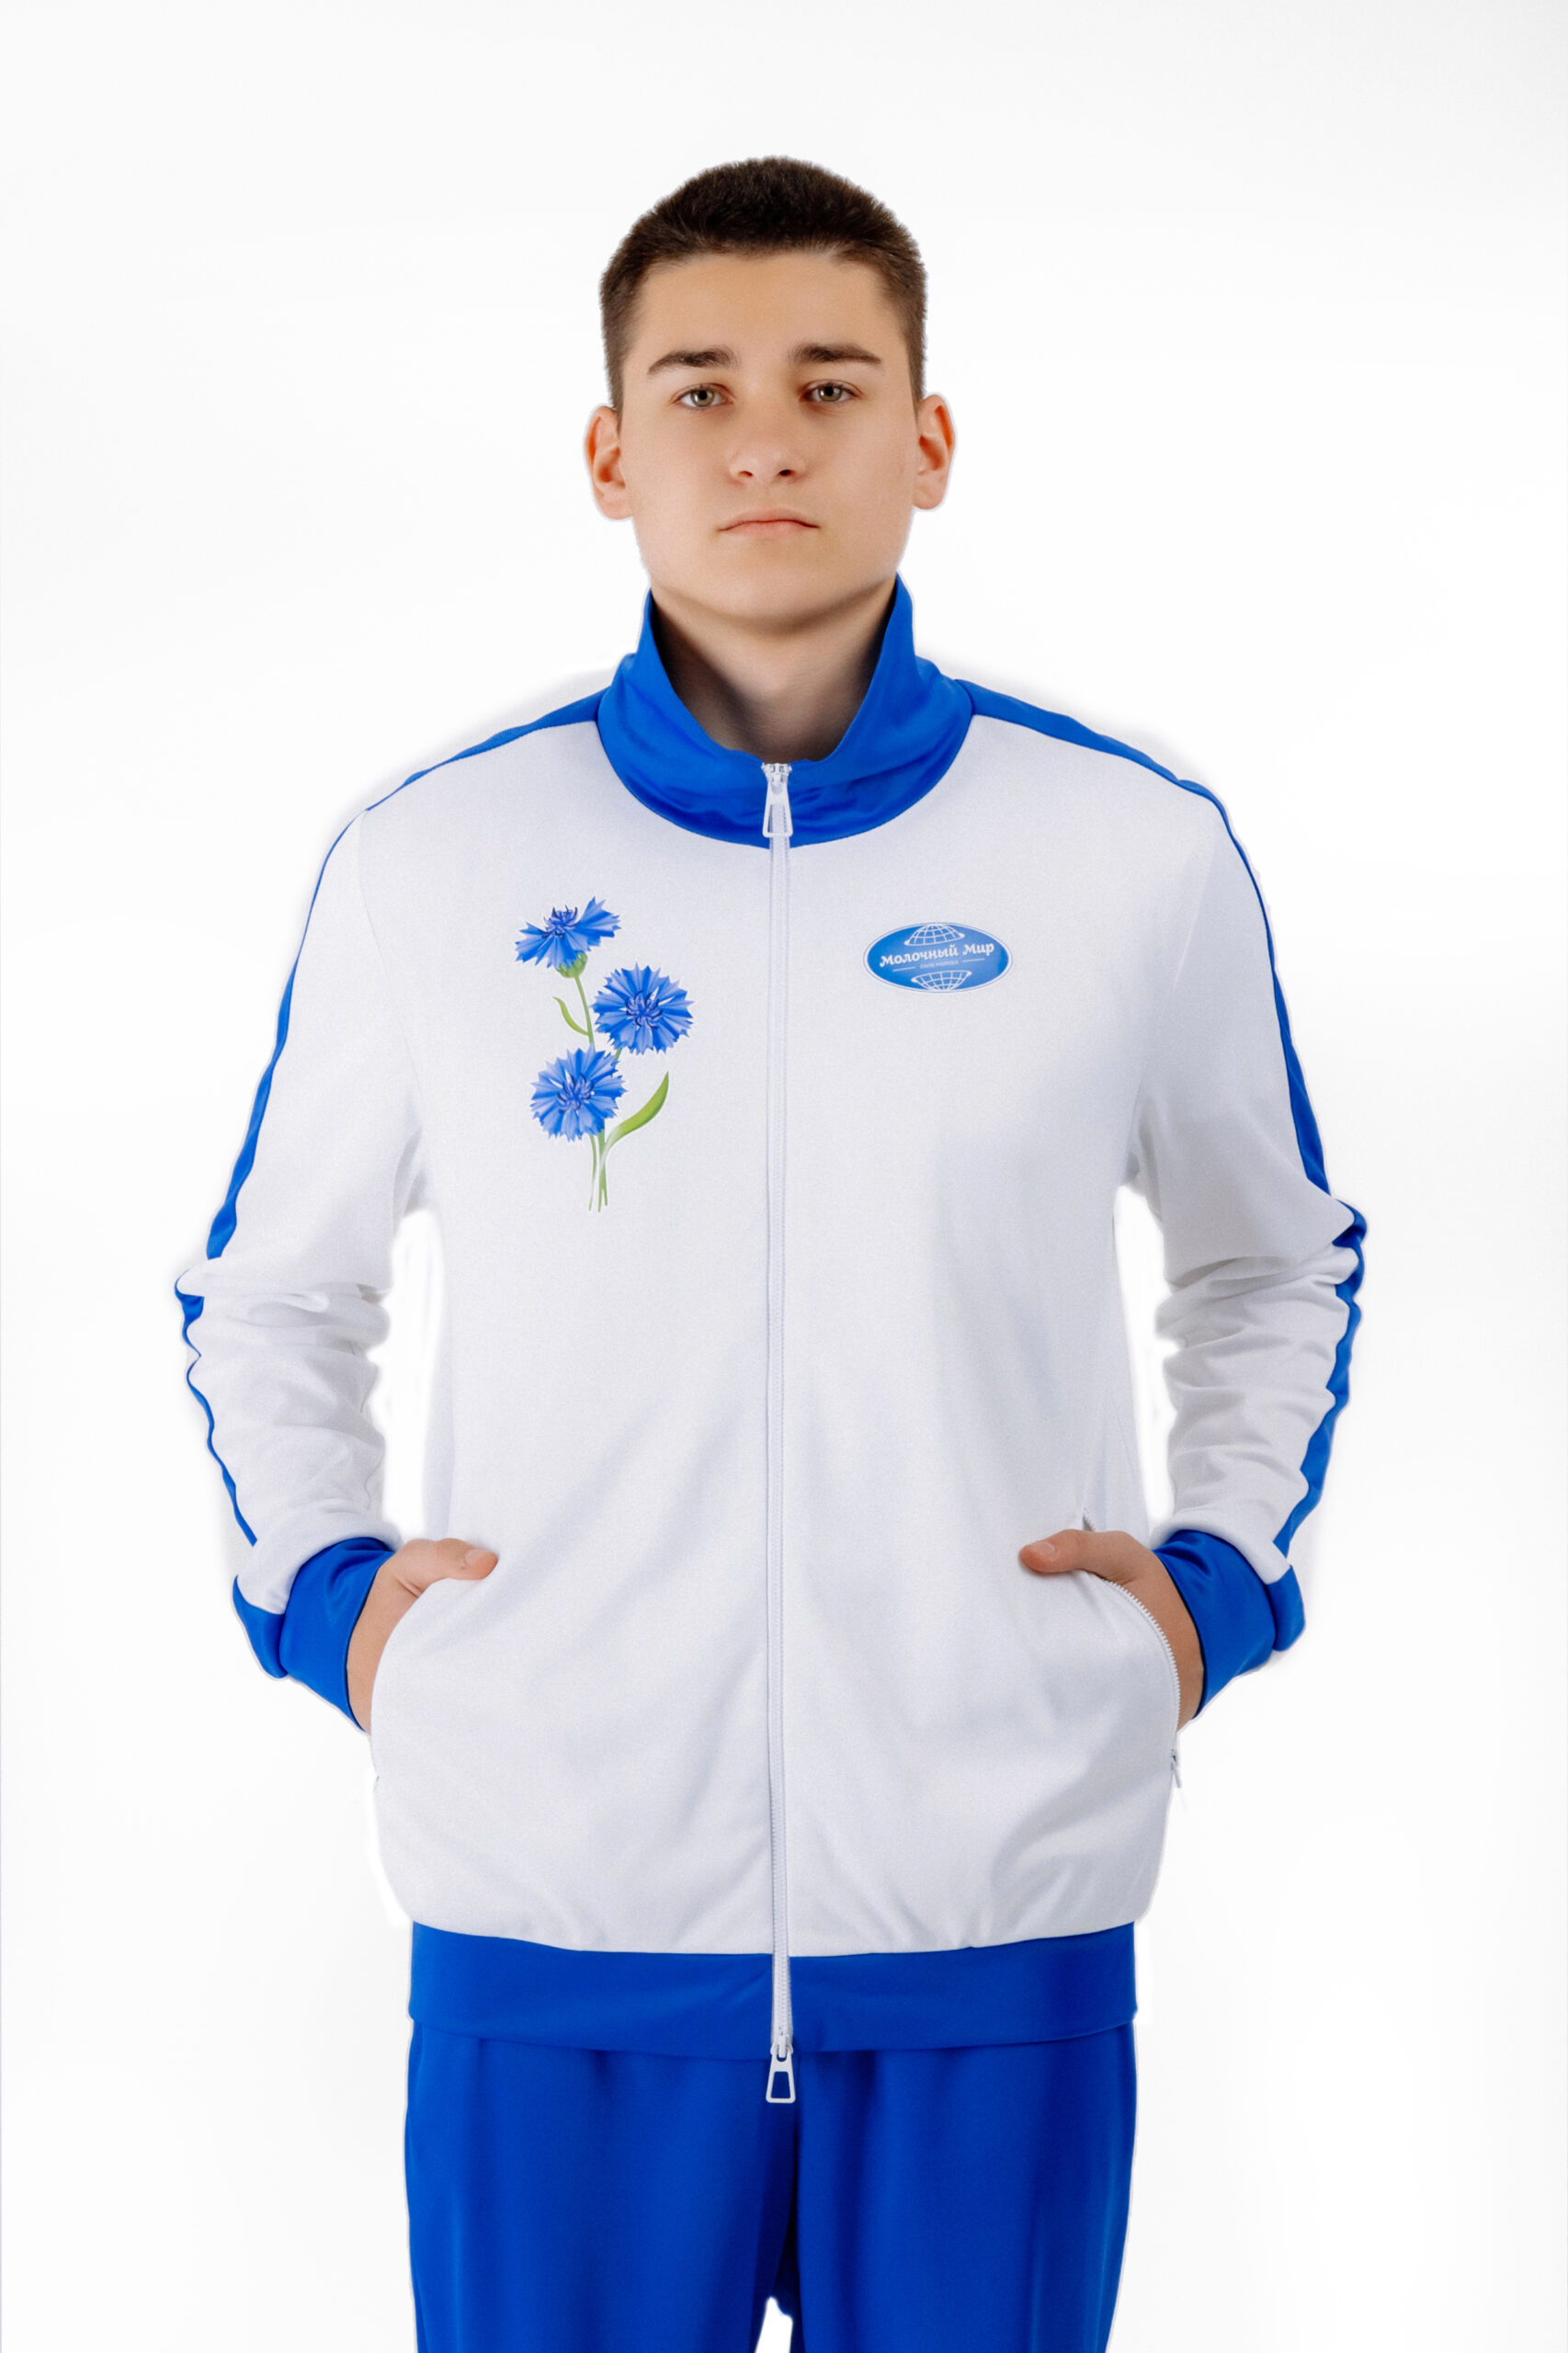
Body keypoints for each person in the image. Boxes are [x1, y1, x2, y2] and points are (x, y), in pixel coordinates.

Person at [175, 155, 1366, 2353]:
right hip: (556, 1911)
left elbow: (1271, 1260)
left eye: (829, 383)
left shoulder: (1127, 849)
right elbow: (272, 1293)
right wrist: (334, 1602)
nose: (763, 441)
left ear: (927, 437)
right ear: (608, 450)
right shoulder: (438, 860)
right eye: (698, 388)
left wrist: (1210, 1591)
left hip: (993, 1903)